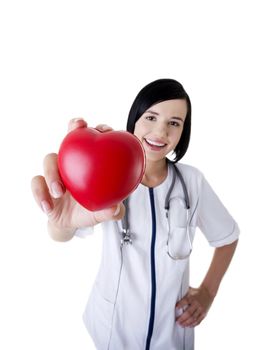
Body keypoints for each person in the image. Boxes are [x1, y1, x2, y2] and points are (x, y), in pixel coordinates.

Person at [31, 78, 239, 350]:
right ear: (135, 121)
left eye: (174, 123)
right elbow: (62, 234)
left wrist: (208, 292)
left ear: (182, 132)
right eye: (151, 117)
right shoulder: (108, 175)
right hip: (113, 331)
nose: (160, 131)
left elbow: (227, 236)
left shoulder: (192, 183)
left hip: (172, 334)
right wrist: (59, 219)